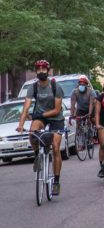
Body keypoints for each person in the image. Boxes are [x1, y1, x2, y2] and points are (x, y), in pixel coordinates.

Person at [17, 60, 65, 195]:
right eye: (38, 69)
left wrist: (41, 113)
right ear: (36, 71)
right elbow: (26, 107)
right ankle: (38, 155)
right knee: (32, 133)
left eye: (44, 69)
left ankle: (56, 182)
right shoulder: (33, 87)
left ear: (48, 71)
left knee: (55, 148)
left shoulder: (56, 87)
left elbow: (57, 109)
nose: (41, 71)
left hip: (56, 117)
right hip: (40, 117)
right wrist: (20, 125)